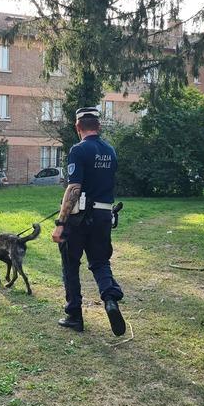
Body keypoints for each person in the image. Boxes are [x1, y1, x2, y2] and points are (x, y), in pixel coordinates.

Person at [51, 106, 126, 336]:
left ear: (77, 127)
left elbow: (74, 188)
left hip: (80, 217)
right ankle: (110, 299)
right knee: (100, 262)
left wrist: (61, 223)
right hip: (104, 215)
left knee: (70, 263)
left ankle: (74, 315)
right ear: (99, 126)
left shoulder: (78, 150)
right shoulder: (110, 151)